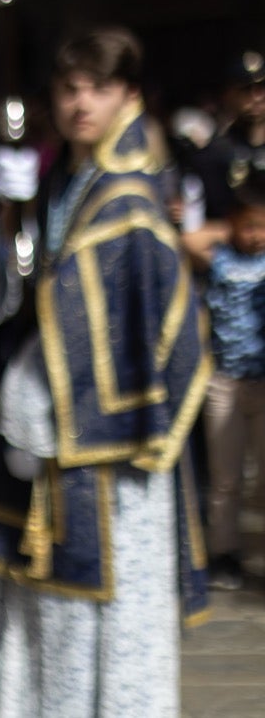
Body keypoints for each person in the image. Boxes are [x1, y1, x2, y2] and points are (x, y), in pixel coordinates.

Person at [0, 27, 209, 717]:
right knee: (43, 591)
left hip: (113, 439)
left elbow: (161, 312)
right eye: (69, 89)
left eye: (98, 89)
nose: (81, 104)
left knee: (110, 594)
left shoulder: (131, 195)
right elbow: (9, 295)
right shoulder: (65, 180)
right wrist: (10, 213)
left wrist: (128, 414)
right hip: (47, 420)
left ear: (128, 96)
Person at [192, 174, 265, 591]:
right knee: (226, 478)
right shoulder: (220, 260)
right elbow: (189, 243)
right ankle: (224, 553)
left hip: (262, 383)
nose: (255, 236)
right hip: (224, 384)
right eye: (249, 226)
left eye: (262, 227)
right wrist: (228, 224)